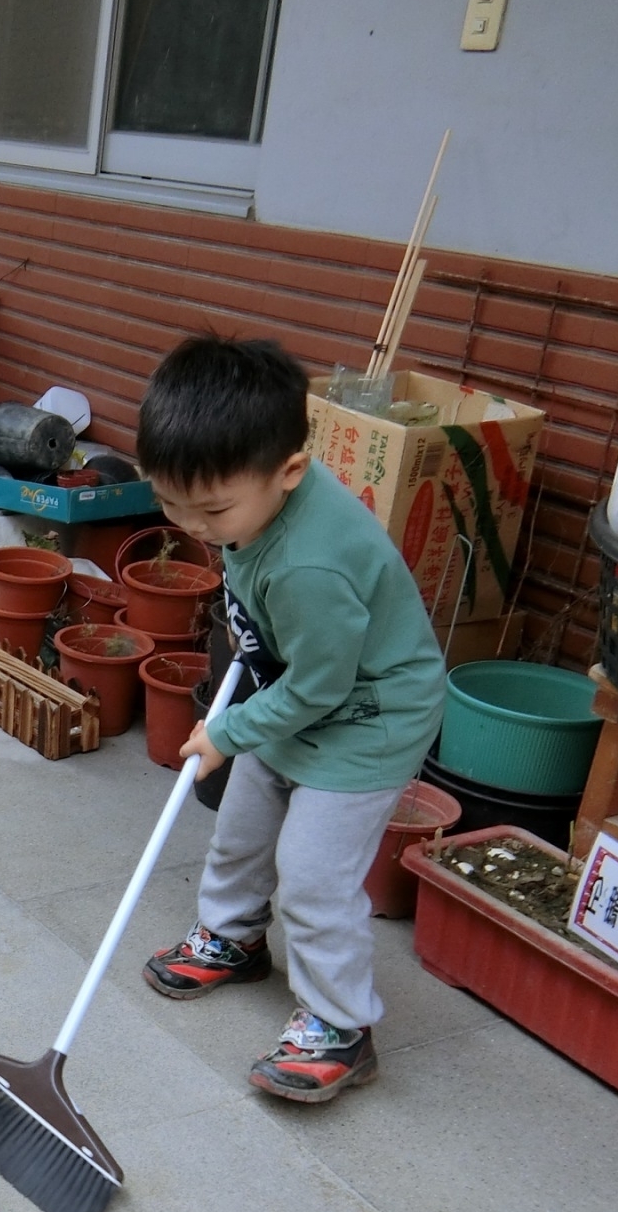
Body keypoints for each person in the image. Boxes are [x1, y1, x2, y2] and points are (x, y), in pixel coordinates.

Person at [137, 336, 444, 1103]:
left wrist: (228, 732)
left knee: (313, 875)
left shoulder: (311, 564)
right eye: (169, 502)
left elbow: (321, 687)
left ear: (291, 473)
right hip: (301, 686)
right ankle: (235, 938)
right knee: (242, 824)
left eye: (211, 510)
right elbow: (297, 669)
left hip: (367, 715)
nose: (193, 525)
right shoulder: (255, 494)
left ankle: (342, 1027)